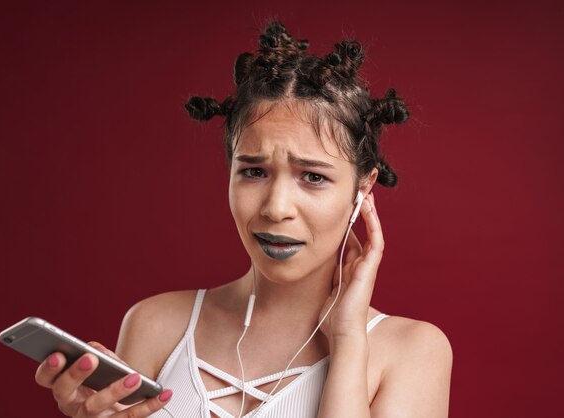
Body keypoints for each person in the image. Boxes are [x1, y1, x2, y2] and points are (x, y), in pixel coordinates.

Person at [34, 20, 453, 418]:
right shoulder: (156, 324)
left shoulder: (412, 351)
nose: (275, 207)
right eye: (254, 171)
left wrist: (347, 342)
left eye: (313, 177)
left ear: (362, 189)